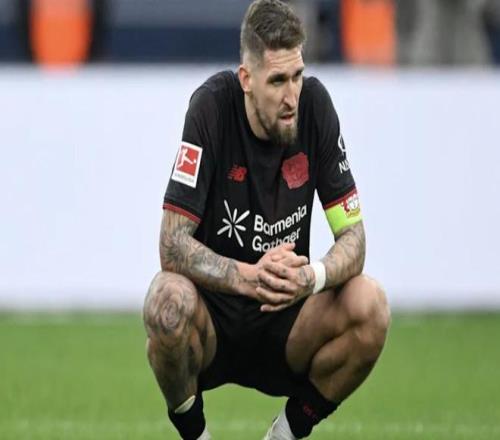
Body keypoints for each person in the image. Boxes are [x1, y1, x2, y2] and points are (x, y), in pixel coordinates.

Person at [143, 1, 390, 439]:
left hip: (288, 321)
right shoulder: (210, 108)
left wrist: (311, 277)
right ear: (246, 79)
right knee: (166, 303)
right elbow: (171, 244)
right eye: (277, 81)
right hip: (215, 321)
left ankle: (285, 435)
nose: (291, 96)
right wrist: (248, 277)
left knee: (370, 305)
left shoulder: (315, 107)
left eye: (297, 76)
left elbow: (354, 237)